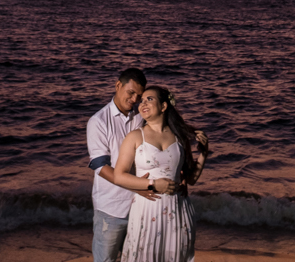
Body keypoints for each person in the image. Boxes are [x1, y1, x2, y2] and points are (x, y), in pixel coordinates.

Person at [112, 85, 209, 262]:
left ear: (164, 106)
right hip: (147, 210)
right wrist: (153, 184)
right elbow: (119, 176)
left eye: (149, 99)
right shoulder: (134, 137)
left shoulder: (179, 137)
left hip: (178, 209)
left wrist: (203, 153)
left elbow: (192, 179)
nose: (143, 104)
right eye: (141, 101)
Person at [87, 67, 153, 262]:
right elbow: (101, 167)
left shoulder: (140, 117)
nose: (134, 99)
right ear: (118, 86)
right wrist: (136, 185)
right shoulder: (98, 121)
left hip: (139, 206)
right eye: (130, 92)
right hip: (111, 208)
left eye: (139, 96)